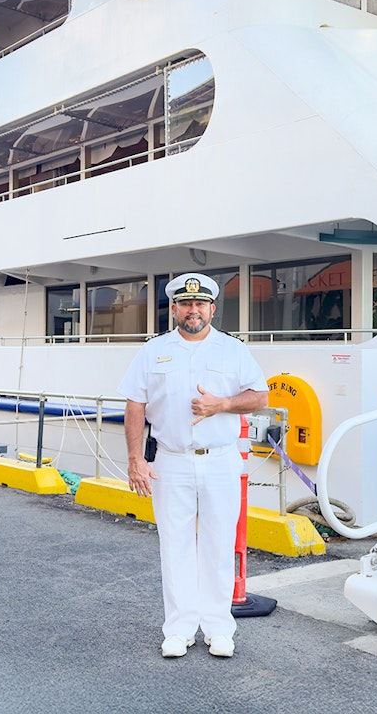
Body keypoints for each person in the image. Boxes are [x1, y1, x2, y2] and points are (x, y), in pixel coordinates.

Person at [118, 272, 268, 659]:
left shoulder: (232, 350)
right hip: (171, 460)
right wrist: (136, 459)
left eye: (200, 304)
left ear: (212, 309)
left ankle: (219, 628)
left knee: (218, 544)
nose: (193, 310)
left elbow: (259, 397)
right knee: (176, 545)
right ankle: (180, 628)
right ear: (175, 308)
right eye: (186, 304)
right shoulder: (153, 351)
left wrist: (222, 404)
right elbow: (135, 405)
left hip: (219, 461)